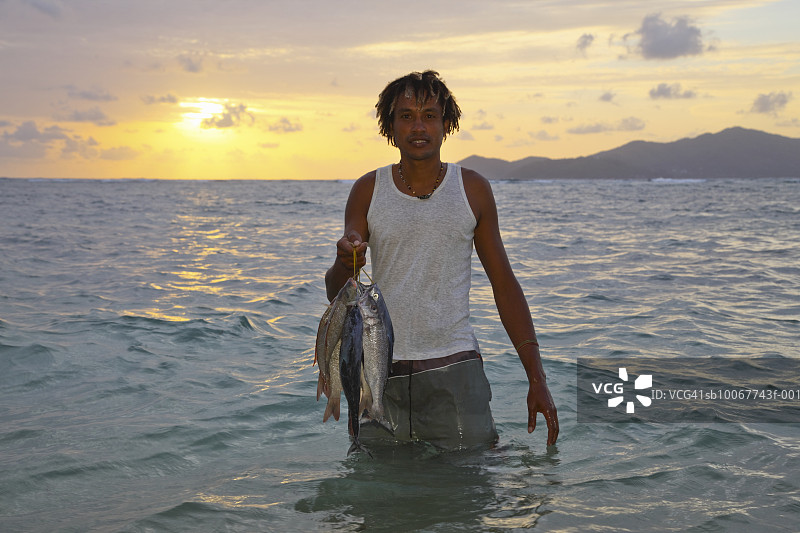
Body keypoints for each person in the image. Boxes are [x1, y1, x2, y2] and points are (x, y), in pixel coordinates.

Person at [325, 70, 558, 450]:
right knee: (375, 485)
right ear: (390, 127)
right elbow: (338, 293)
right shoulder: (368, 189)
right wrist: (345, 262)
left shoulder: (473, 189)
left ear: (446, 124)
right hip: (379, 370)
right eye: (406, 116)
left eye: (430, 116)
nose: (419, 127)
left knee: (471, 479)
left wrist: (537, 378)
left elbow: (504, 286)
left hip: (455, 367)